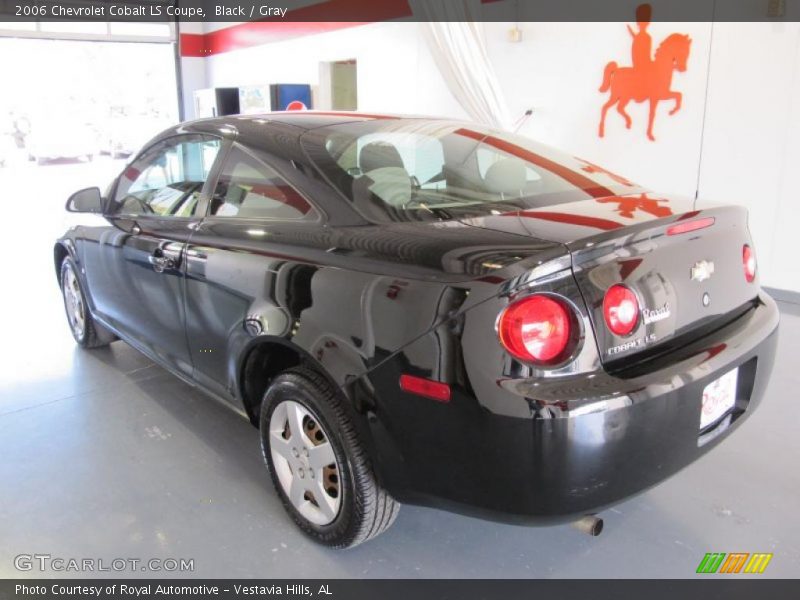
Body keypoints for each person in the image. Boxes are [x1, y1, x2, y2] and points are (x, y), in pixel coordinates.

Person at [627, 3, 653, 73]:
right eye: (641, 23)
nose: (642, 25)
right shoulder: (643, 37)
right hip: (639, 64)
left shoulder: (647, 37)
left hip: (644, 63)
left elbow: (646, 53)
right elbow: (636, 52)